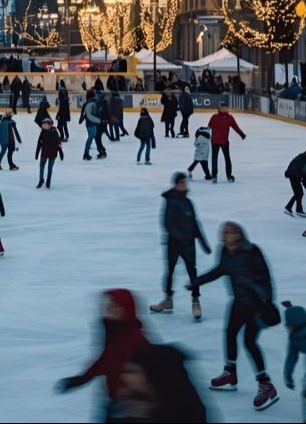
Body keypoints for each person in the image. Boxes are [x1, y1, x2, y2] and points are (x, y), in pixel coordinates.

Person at [190, 221, 279, 411]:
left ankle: (266, 384)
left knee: (249, 342)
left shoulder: (252, 251)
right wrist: (198, 282)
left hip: (256, 304)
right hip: (238, 302)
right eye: (226, 233)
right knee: (229, 334)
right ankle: (230, 372)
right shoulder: (224, 251)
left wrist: (266, 301)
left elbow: (265, 277)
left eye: (232, 233)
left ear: (239, 235)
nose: (229, 236)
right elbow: (221, 270)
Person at [56, 289, 150, 418]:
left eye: (113, 306)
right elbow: (105, 360)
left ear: (125, 310)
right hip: (115, 403)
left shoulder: (137, 342)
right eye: (107, 306)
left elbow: (149, 379)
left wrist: (130, 403)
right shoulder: (115, 333)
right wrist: (81, 379)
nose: (107, 309)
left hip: (131, 409)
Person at [151, 172, 209, 321]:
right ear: (175, 184)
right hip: (174, 244)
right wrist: (181, 238)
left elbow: (195, 223)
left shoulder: (188, 202)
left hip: (189, 243)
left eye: (185, 182)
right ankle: (168, 299)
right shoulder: (170, 201)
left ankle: (195, 301)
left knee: (192, 272)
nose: (184, 184)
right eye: (181, 182)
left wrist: (203, 242)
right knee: (170, 271)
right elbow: (167, 224)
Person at [206, 104, 247, 182]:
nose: (224, 109)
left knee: (227, 159)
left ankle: (229, 175)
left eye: (225, 108)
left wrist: (241, 134)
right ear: (219, 109)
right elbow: (209, 127)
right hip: (215, 141)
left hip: (224, 142)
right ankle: (214, 176)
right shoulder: (214, 117)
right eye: (222, 108)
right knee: (214, 159)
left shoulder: (229, 118)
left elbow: (235, 127)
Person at [283, 149, 306, 217]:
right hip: (294, 176)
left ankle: (296, 209)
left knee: (299, 193)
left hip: (293, 176)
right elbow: (303, 173)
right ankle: (290, 208)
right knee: (299, 193)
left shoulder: (301, 157)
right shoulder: (303, 160)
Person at [80, 92, 108, 159]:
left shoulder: (93, 103)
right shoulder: (92, 104)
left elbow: (87, 114)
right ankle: (86, 154)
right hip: (92, 123)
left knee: (93, 137)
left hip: (94, 123)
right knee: (92, 137)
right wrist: (100, 121)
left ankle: (87, 153)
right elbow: (89, 115)